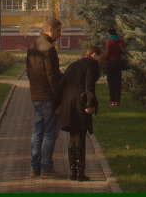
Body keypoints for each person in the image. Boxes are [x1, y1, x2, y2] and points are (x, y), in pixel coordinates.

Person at [54, 45, 101, 181]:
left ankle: (72, 171)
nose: (100, 61)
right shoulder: (91, 64)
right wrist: (90, 105)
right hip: (80, 104)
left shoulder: (74, 65)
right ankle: (81, 173)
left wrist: (56, 104)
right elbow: (89, 85)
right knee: (80, 137)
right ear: (93, 55)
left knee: (72, 138)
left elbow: (61, 84)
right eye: (100, 58)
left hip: (68, 105)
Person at [25, 15, 63, 178]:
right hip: (48, 96)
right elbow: (52, 76)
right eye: (58, 30)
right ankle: (46, 167)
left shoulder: (33, 47)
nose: (59, 34)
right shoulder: (49, 49)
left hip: (36, 94)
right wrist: (58, 98)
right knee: (50, 132)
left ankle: (35, 167)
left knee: (37, 131)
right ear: (50, 29)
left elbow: (28, 72)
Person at [103, 26, 127, 106]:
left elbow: (107, 53)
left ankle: (112, 101)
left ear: (109, 33)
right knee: (118, 82)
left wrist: (105, 60)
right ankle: (117, 101)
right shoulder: (120, 41)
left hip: (110, 63)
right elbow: (124, 49)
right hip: (118, 62)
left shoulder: (109, 41)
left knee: (111, 82)